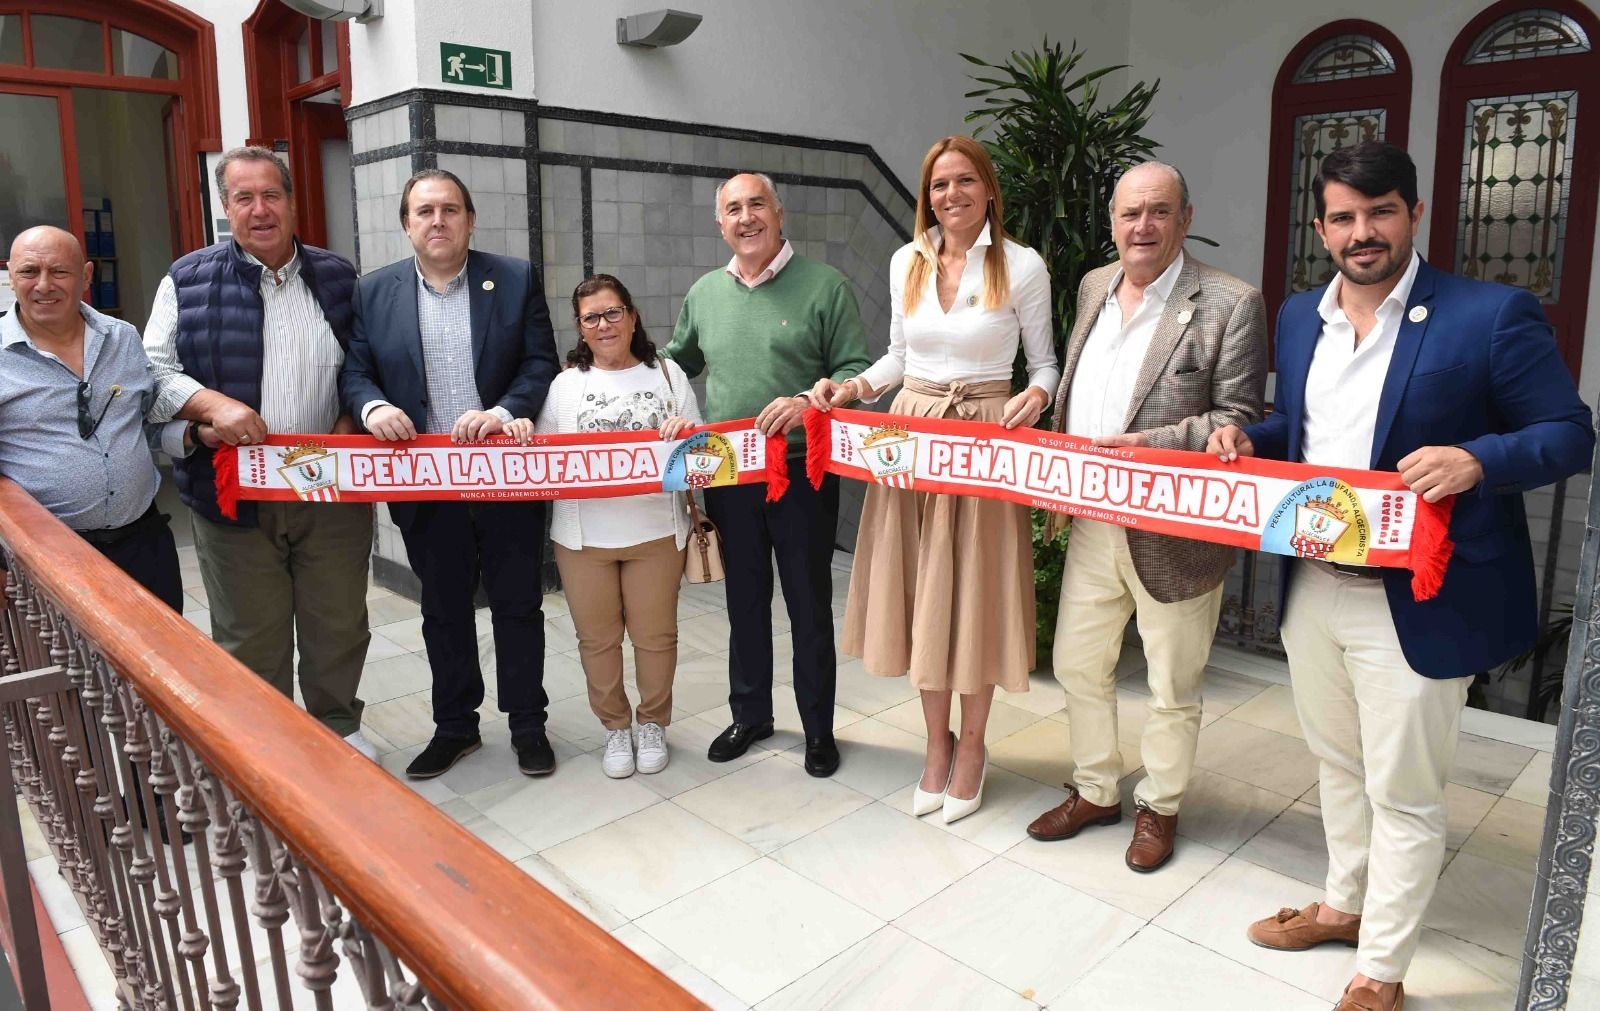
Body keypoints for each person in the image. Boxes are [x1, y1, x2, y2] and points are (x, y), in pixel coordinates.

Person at [1208, 141, 1593, 1011]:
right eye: (1343, 216)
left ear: (1414, 214)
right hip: (1314, 581)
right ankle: (1345, 903)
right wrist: (1248, 440)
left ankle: (1380, 966)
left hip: (1419, 590)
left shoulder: (1490, 314)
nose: (1363, 232)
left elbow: (1570, 432)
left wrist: (1476, 459)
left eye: (1380, 212)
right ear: (1320, 227)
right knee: (1336, 760)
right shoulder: (1303, 315)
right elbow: (1300, 429)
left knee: (1406, 790)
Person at [1025, 162, 1267, 871]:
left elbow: (1239, 419)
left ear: (1185, 218)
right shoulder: (1094, 285)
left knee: (1171, 682)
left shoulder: (1231, 301)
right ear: (1111, 221)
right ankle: (1097, 786)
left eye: (1159, 212)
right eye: (1130, 214)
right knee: (1076, 661)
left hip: (1174, 528)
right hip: (1093, 519)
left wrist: (1145, 447)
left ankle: (1159, 805)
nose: (1143, 227)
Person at [809, 135, 1056, 823]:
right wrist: (855, 386)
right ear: (928, 194)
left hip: (982, 436)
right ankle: (935, 745)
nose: (952, 195)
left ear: (988, 188)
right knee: (922, 595)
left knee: (973, 594)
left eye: (965, 181)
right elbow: (895, 356)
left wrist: (1036, 397)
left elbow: (1046, 366)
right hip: (913, 438)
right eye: (940, 184)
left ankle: (973, 746)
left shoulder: (1022, 265)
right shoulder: (906, 260)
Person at [144, 147, 377, 760]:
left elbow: (366, 361)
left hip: (329, 488)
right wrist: (210, 406)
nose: (259, 209)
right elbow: (153, 372)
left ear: (294, 203)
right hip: (233, 492)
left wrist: (355, 414)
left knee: (337, 623)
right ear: (226, 209)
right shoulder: (187, 279)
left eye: (271, 195)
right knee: (251, 634)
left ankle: (339, 734)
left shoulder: (339, 277)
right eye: (243, 198)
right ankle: (267, 754)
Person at [342, 168, 560, 781]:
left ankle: (527, 723)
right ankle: (456, 726)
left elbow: (539, 362)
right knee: (443, 607)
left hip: (505, 474)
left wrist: (504, 411)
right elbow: (355, 372)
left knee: (518, 602)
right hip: (425, 480)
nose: (437, 221)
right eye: (424, 211)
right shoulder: (374, 291)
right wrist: (372, 407)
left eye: (450, 210)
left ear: (469, 219)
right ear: (406, 223)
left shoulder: (514, 279)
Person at [661, 172, 872, 777]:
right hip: (731, 476)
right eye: (733, 209)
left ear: (780, 213)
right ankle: (751, 713)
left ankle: (818, 729)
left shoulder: (825, 287)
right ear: (719, 223)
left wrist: (810, 397)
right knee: (743, 600)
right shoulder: (705, 293)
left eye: (757, 204)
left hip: (802, 470)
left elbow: (854, 368)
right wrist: (662, 406)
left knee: (807, 603)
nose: (746, 217)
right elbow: (678, 363)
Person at [516, 274, 699, 779]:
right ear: (580, 328)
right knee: (596, 639)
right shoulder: (566, 385)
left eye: (613, 312)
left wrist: (686, 434)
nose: (604, 324)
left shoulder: (667, 375)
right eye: (591, 317)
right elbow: (543, 456)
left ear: (632, 315)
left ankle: (652, 723)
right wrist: (522, 430)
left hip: (656, 532)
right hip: (583, 538)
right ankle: (616, 727)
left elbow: (699, 452)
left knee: (655, 637)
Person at [0, 226, 191, 609]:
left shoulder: (123, 338)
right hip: (47, 557)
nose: (43, 285)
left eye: (59, 271)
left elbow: (143, 425)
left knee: (158, 657)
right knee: (71, 668)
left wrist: (194, 436)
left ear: (87, 276)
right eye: (28, 272)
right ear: (10, 275)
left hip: (143, 545)